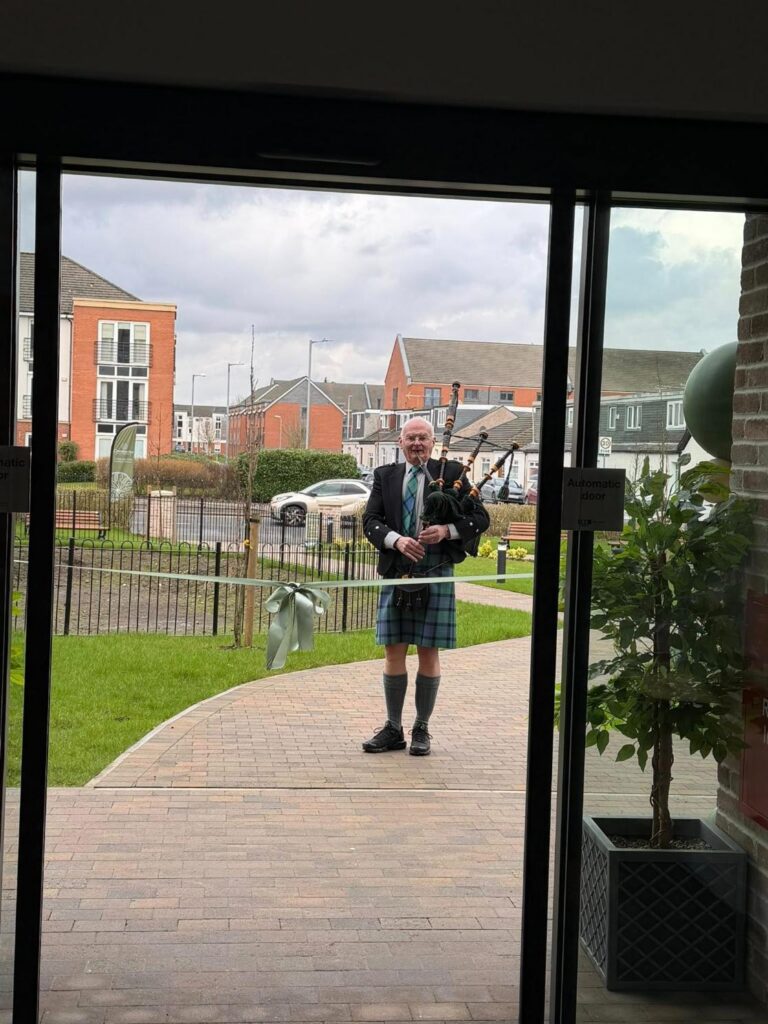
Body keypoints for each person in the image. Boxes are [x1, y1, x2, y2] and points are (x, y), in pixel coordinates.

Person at [362, 416, 489, 756]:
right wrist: (396, 540)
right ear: (400, 443)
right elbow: (370, 520)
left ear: (433, 443)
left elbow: (480, 518)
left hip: (435, 570)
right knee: (394, 649)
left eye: (423, 438)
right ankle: (393, 728)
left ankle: (421, 728)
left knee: (428, 651)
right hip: (398, 571)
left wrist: (447, 531)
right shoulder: (385, 476)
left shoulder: (453, 472)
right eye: (410, 438)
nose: (416, 443)